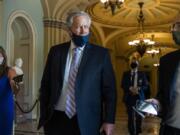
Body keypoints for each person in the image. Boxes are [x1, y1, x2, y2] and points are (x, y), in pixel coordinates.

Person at [38, 11, 117, 135]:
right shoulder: (56, 52)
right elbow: (45, 85)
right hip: (56, 119)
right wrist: (44, 116)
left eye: (86, 27)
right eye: (79, 27)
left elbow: (110, 91)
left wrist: (109, 120)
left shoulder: (101, 55)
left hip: (88, 120)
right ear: (70, 30)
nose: (83, 31)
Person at [146, 16, 180, 135]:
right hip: (171, 129)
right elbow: (162, 95)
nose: (175, 30)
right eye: (175, 26)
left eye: (178, 25)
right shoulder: (167, 61)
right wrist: (157, 104)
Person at [121, 52, 149, 135]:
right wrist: (130, 88)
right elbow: (122, 84)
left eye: (135, 62)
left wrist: (139, 88)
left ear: (138, 64)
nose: (134, 63)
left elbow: (146, 86)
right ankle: (131, 131)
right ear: (130, 63)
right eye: (132, 62)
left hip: (139, 97)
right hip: (129, 97)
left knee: (138, 116)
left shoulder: (142, 74)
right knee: (130, 116)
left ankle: (137, 131)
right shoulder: (125, 74)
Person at [0, 46, 17, 135]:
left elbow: (16, 84)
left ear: (4, 57)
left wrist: (13, 83)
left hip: (4, 108)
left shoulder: (10, 70)